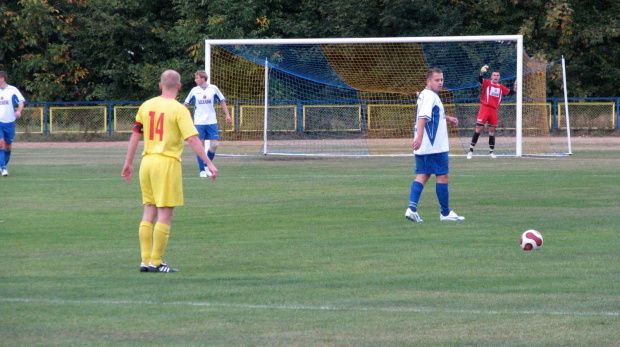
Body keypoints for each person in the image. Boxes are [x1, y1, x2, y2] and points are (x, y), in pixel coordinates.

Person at [122, 70, 219, 273]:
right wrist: (208, 163)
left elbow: (135, 135)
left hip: (147, 162)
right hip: (166, 163)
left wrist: (128, 162)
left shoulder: (146, 105)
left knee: (149, 210)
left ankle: (145, 260)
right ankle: (156, 262)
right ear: (180, 87)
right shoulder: (179, 109)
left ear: (159, 85)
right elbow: (192, 139)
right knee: (165, 213)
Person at [406, 68, 465, 222]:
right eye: (437, 80)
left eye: (441, 80)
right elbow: (423, 117)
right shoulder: (429, 96)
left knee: (423, 175)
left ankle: (412, 209)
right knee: (443, 175)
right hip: (434, 146)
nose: (440, 83)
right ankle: (445, 213)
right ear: (428, 81)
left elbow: (432, 114)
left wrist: (448, 117)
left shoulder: (426, 95)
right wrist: (419, 138)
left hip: (425, 147)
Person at [183, 70, 231, 178]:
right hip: (199, 122)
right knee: (200, 146)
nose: (195, 80)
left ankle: (206, 165)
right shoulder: (194, 91)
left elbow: (222, 100)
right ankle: (202, 171)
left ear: (203, 79)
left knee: (215, 145)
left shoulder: (213, 89)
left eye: (197, 78)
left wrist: (227, 115)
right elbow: (185, 104)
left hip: (211, 121)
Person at [467, 65, 516, 159]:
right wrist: (481, 73)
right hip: (484, 108)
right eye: (494, 75)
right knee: (479, 128)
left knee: (492, 130)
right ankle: (470, 150)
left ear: (499, 77)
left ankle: (491, 152)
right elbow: (480, 80)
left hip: (494, 110)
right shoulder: (487, 83)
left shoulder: (501, 87)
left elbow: (509, 91)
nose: (496, 77)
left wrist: (516, 90)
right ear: (491, 77)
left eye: (497, 75)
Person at [0, 71, 26, 177]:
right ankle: (4, 169)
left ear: (3, 78)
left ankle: (2, 165)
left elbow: (21, 102)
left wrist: (19, 111)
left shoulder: (12, 90)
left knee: (8, 146)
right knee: (1, 143)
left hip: (10, 122)